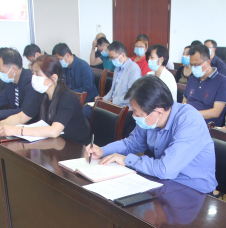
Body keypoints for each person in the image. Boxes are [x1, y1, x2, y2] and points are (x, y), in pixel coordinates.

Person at [84, 76, 217, 194]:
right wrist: (103, 151)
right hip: (164, 182)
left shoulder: (190, 121)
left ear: (158, 112)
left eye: (138, 113)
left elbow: (166, 169)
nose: (134, 116)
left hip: (194, 191)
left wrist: (126, 160)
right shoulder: (150, 119)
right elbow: (131, 144)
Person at [0, 54, 90, 145]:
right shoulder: (42, 95)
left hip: (75, 147)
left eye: (37, 74)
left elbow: (54, 131)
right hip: (54, 144)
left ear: (53, 78)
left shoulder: (67, 98)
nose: (33, 77)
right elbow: (21, 117)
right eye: (33, 73)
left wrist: (17, 130)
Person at [83, 41, 142, 120]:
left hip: (124, 107)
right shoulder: (117, 68)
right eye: (110, 58)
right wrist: (103, 99)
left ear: (123, 55)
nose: (112, 60)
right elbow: (112, 91)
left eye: (113, 58)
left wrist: (113, 101)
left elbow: (132, 95)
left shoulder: (133, 68)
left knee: (93, 113)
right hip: (113, 104)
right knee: (86, 109)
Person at [183, 44, 226, 127]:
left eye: (196, 65)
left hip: (206, 126)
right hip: (187, 122)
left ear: (208, 62)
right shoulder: (192, 79)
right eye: (192, 65)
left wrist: (192, 114)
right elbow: (184, 102)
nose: (194, 68)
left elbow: (216, 112)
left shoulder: (222, 82)